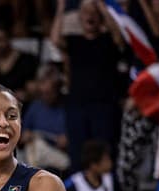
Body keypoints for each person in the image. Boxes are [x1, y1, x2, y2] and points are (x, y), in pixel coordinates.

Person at [50, 0, 126, 171]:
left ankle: (107, 190)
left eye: (94, 13)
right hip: (77, 105)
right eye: (85, 12)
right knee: (77, 152)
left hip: (104, 105)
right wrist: (61, 7)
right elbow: (55, 40)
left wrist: (101, 7)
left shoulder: (108, 41)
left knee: (106, 150)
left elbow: (119, 37)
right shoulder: (74, 41)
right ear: (79, 17)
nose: (90, 16)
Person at [20, 64, 69, 175]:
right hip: (35, 153)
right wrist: (26, 135)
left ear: (58, 89)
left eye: (49, 93)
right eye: (42, 93)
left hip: (60, 154)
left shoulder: (67, 108)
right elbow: (22, 137)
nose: (45, 97)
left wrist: (67, 139)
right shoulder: (36, 106)